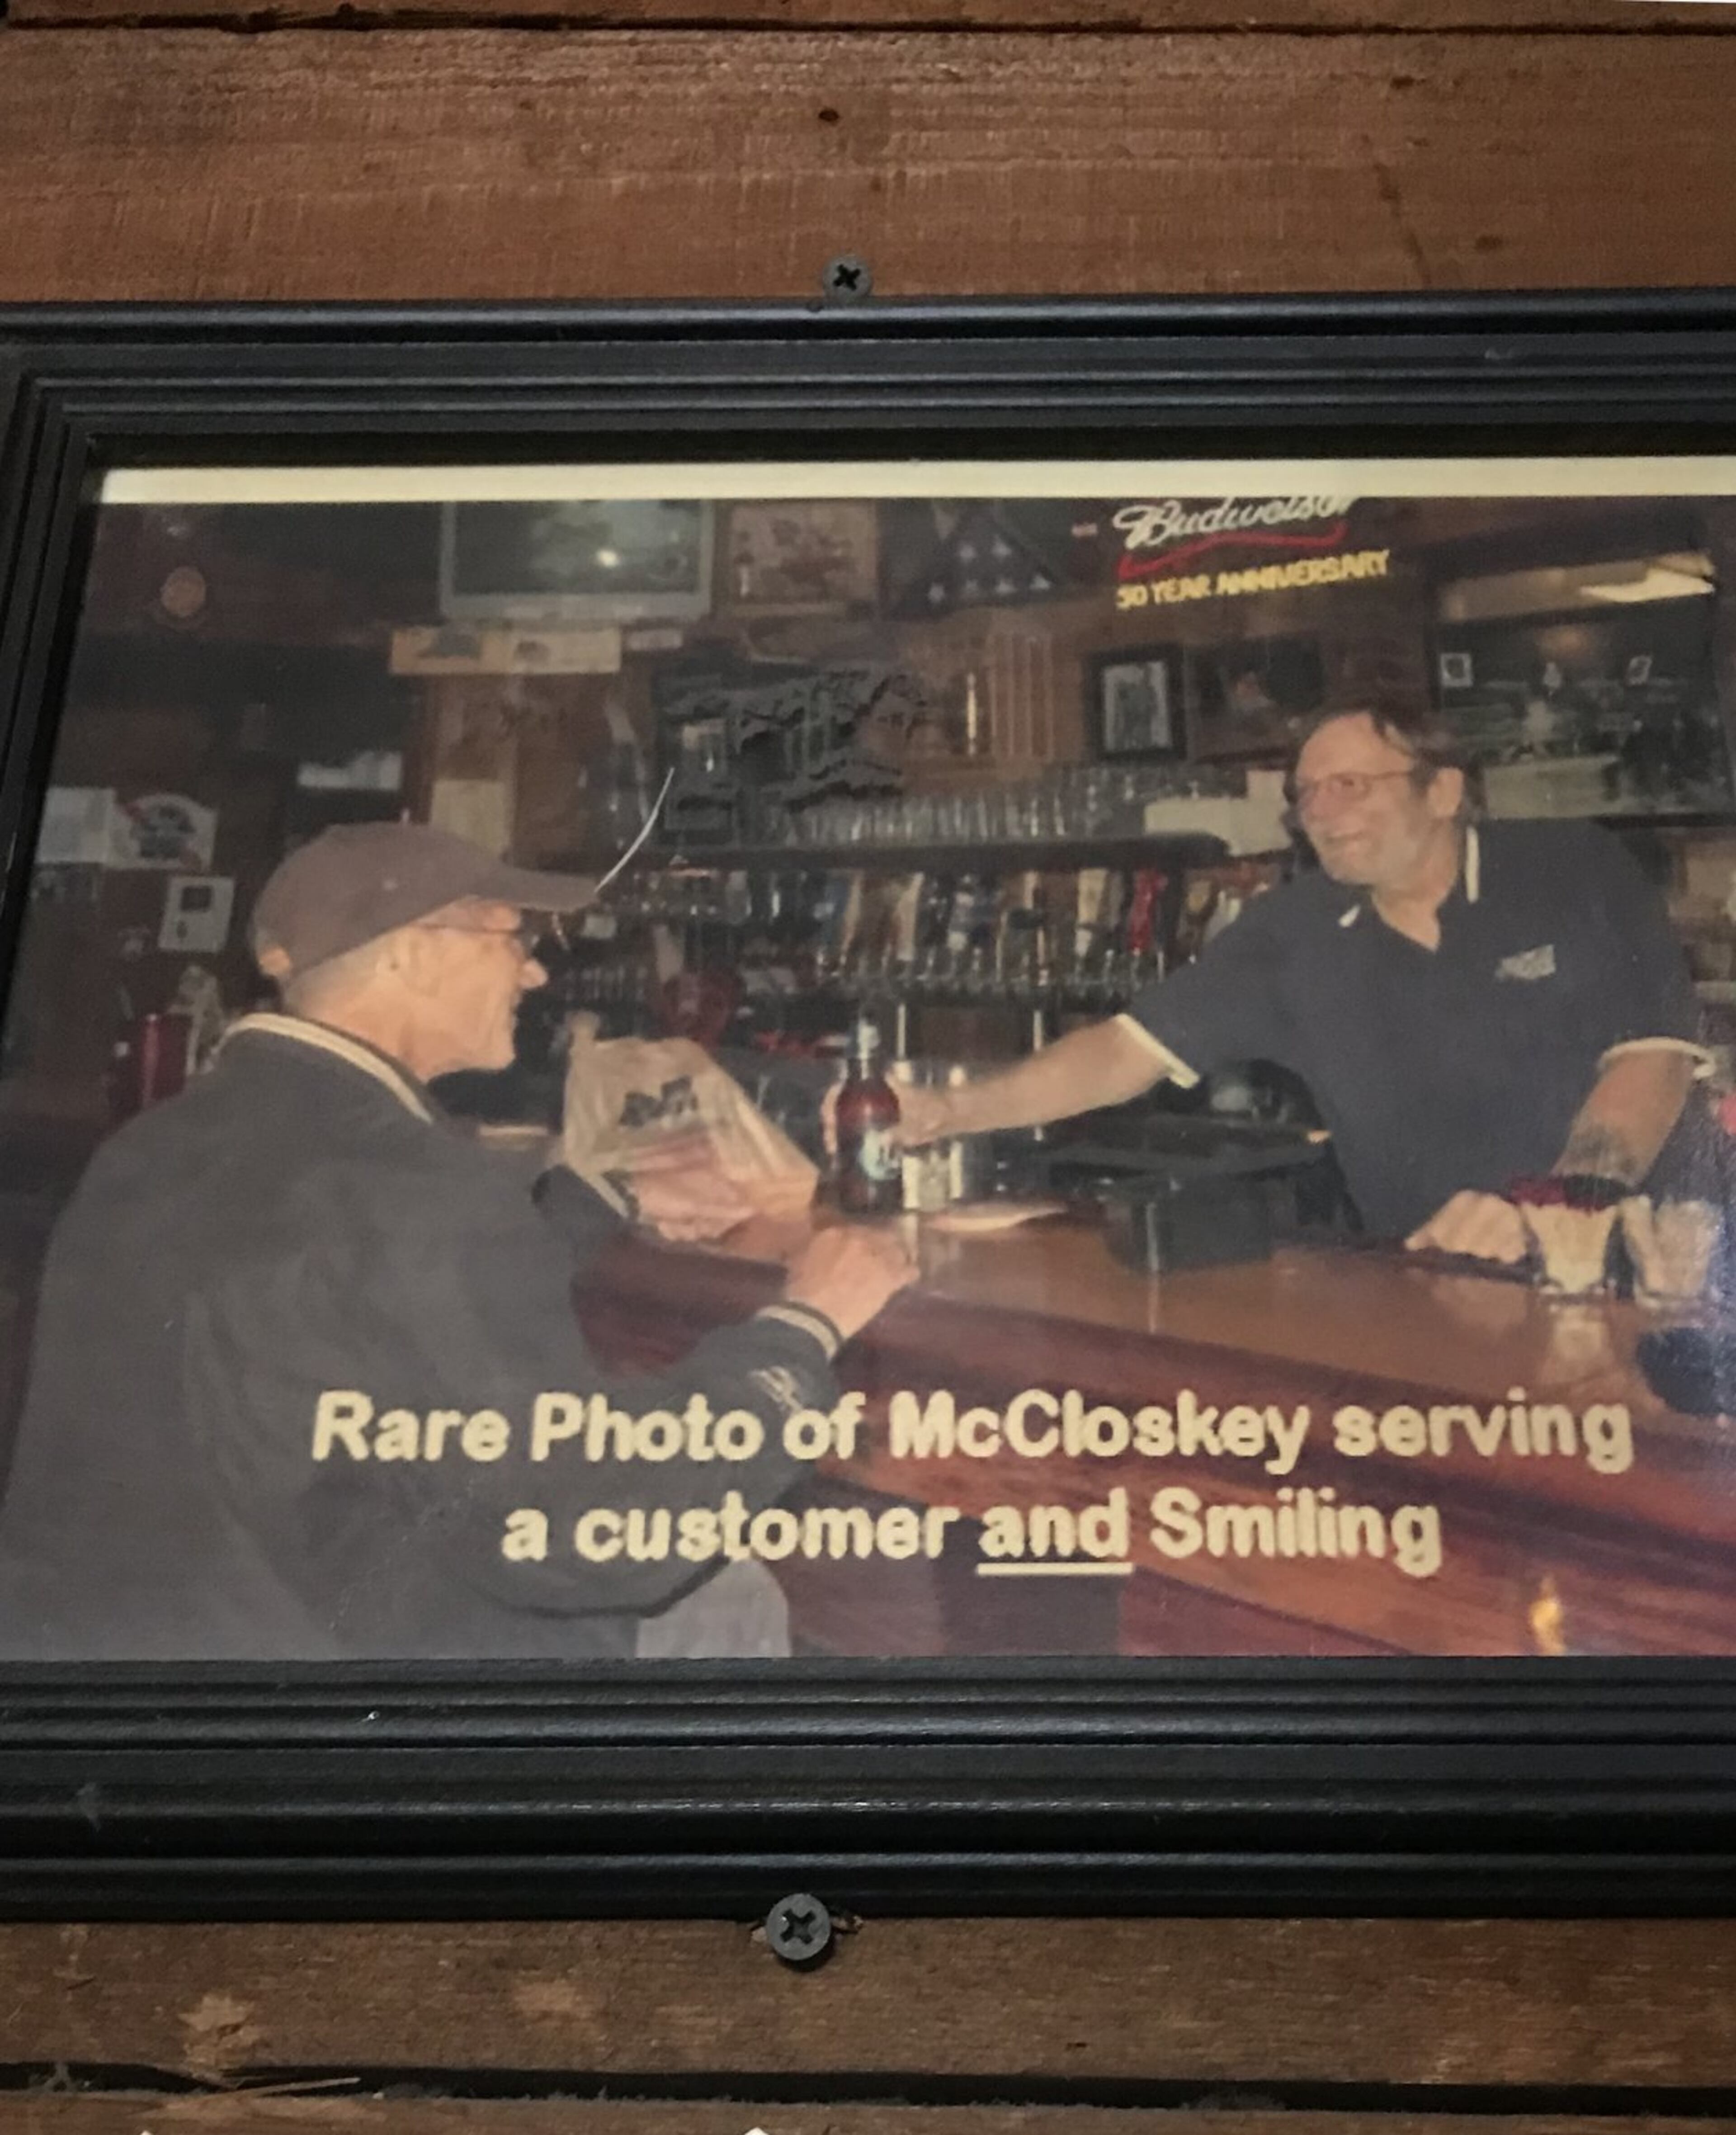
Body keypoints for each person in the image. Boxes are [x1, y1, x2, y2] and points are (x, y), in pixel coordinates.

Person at [0, 822, 913, 1660]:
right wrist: (804, 1328)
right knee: (733, 1598)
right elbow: (592, 1528)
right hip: (340, 1700)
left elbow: (355, 1292)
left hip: (120, 1656)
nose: (535, 976)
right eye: (512, 939)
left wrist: (604, 1196)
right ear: (413, 954)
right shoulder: (412, 1188)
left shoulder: (155, 1145)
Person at [892, 698, 1707, 1262]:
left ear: (1446, 789)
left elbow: (1651, 1062)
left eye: (1351, 784)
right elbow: (1120, 1051)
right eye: (1307, 794)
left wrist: (1554, 1213)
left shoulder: (1572, 867)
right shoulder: (1296, 930)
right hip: (1434, 1282)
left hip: (1649, 1268)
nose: (1320, 810)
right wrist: (954, 1109)